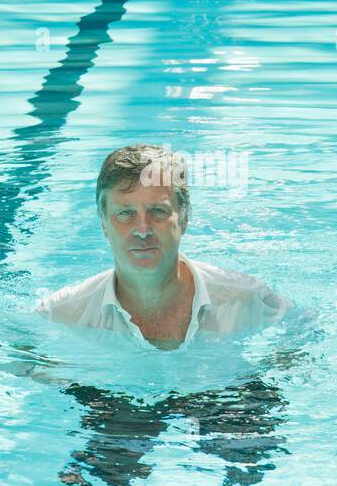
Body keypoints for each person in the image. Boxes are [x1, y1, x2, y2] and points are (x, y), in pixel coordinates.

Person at [40, 143, 289, 350]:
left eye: (157, 211)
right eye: (125, 213)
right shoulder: (65, 313)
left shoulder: (246, 300)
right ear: (103, 223)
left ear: (183, 219)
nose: (142, 229)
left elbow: (301, 333)